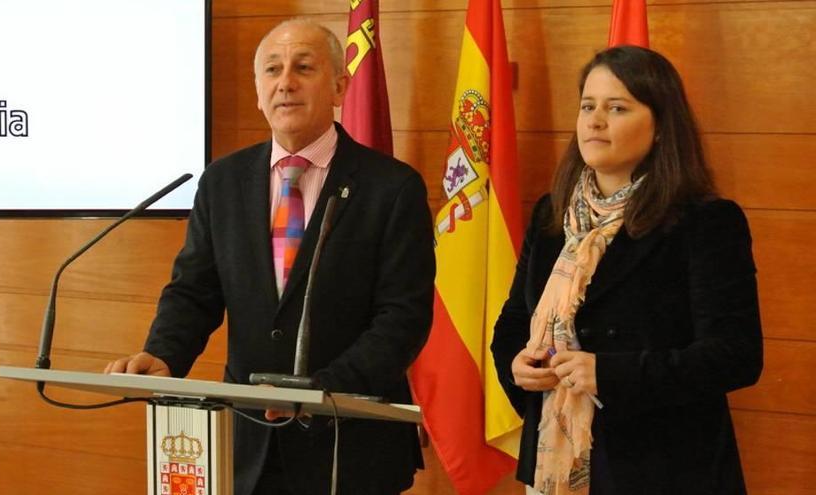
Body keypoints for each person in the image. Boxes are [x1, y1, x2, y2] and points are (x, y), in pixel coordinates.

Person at [105, 19, 435, 495]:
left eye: (304, 67)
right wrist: (163, 354)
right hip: (247, 445)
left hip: (350, 447)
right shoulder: (222, 182)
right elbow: (195, 291)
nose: (286, 82)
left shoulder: (391, 187)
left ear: (340, 86)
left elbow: (402, 318)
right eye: (272, 70)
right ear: (259, 91)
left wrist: (320, 389)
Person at [491, 46, 763, 495]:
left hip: (663, 471)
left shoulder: (705, 222)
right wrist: (518, 365)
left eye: (617, 108)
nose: (595, 121)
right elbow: (514, 322)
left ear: (660, 128)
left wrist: (613, 375)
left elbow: (735, 355)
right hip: (554, 466)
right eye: (587, 106)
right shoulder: (551, 215)